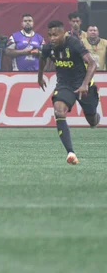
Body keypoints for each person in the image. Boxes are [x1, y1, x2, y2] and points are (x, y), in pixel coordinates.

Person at [38, 20, 100, 165]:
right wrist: (40, 77)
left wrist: (85, 84)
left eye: (55, 35)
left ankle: (94, 118)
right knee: (59, 111)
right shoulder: (48, 47)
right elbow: (42, 59)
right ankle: (70, 153)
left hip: (84, 84)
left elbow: (92, 64)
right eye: (49, 35)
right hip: (64, 85)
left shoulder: (74, 43)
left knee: (92, 120)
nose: (52, 38)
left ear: (63, 33)